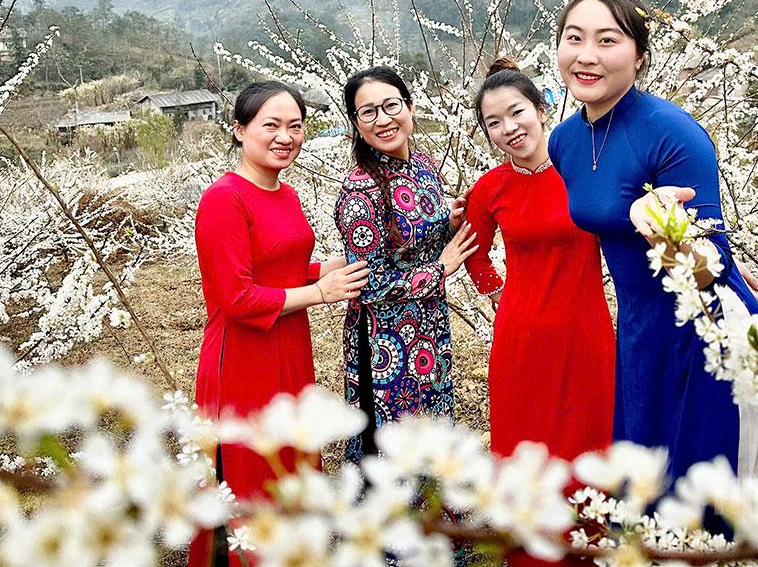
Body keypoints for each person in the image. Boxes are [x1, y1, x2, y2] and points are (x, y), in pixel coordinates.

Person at [547, 0, 758, 490]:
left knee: (709, 506)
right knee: (645, 497)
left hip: (709, 331)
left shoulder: (673, 133)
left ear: (639, 57)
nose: (586, 55)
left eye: (607, 40)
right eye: (574, 38)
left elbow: (707, 265)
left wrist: (663, 226)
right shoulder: (565, 141)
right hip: (640, 334)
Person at [190, 81, 369, 567]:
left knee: (289, 463)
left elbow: (280, 270)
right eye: (271, 124)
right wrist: (318, 293)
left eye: (295, 125)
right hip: (244, 359)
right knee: (250, 478)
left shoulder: (285, 193)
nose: (285, 136)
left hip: (289, 347)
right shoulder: (224, 199)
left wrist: (324, 270)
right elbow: (235, 296)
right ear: (240, 129)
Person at [463, 57, 615, 567]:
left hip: (587, 329)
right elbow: (473, 251)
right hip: (521, 337)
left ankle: (590, 550)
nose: (509, 129)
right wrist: (494, 289)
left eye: (516, 112)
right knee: (527, 449)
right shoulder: (490, 189)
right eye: (494, 123)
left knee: (590, 443)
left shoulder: (585, 168)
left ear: (543, 107)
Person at [333, 66, 478, 461]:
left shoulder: (424, 165)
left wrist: (448, 224)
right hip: (385, 342)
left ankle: (433, 517)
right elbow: (370, 284)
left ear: (410, 107)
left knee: (431, 424)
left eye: (391, 105)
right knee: (392, 443)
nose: (383, 119)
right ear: (356, 124)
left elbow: (418, 239)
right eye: (368, 112)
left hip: (429, 326)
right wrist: (441, 269)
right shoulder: (359, 191)